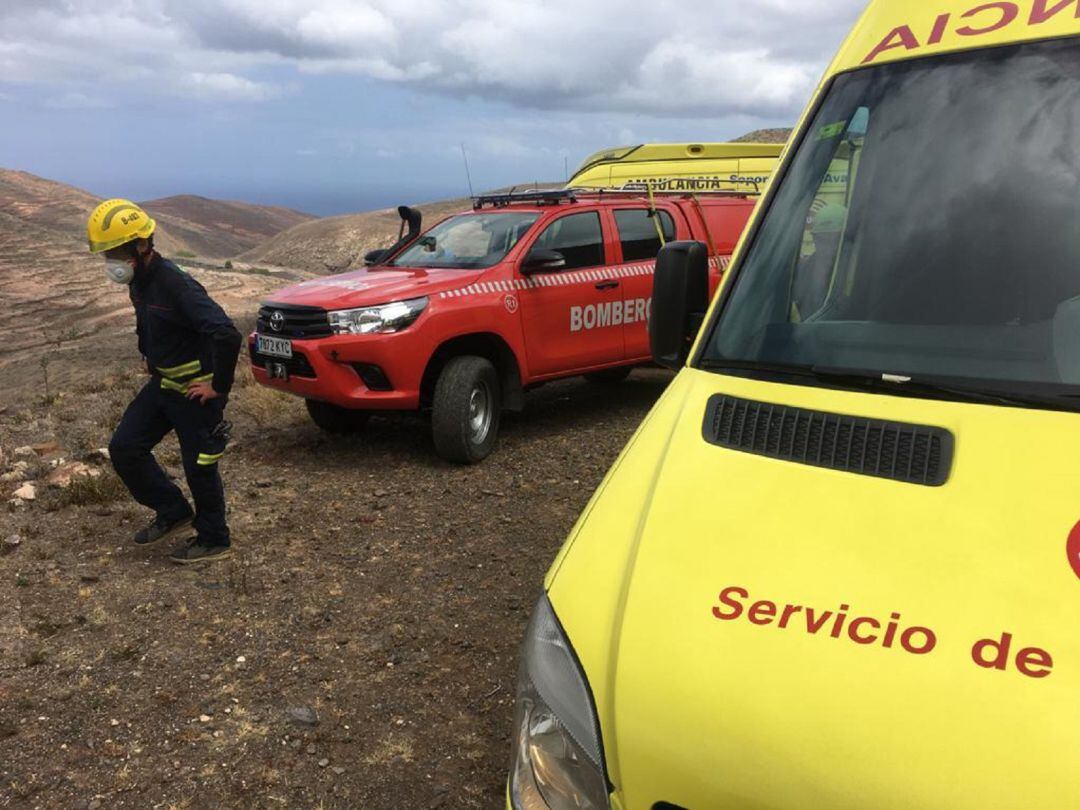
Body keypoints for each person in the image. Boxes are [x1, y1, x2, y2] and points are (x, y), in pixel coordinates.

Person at [87, 199, 243, 563]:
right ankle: (173, 511)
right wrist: (149, 355)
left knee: (199, 465)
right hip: (164, 385)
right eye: (107, 253)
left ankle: (214, 538)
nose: (110, 261)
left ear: (142, 245)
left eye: (116, 252)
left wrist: (218, 387)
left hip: (196, 392)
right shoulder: (140, 282)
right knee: (125, 447)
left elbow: (226, 333)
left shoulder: (176, 284)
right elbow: (150, 323)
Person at [792, 202, 846, 320]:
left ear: (845, 239)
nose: (827, 247)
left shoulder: (854, 273)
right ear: (814, 237)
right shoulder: (800, 271)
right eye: (821, 238)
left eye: (833, 239)